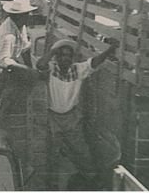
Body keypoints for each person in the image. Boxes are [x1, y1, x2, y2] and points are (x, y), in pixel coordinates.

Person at [37, 39, 117, 189]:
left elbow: (94, 62)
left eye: (68, 56)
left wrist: (109, 50)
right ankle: (51, 184)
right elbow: (40, 64)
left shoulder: (78, 70)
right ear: (56, 57)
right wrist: (54, 50)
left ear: (72, 58)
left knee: (81, 150)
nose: (65, 58)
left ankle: (91, 178)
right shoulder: (51, 69)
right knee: (51, 152)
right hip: (52, 116)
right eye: (61, 55)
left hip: (71, 117)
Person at [0, 0, 40, 124]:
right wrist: (27, 70)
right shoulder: (8, 35)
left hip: (3, 61)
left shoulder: (19, 26)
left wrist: (30, 69)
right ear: (18, 16)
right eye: (26, 15)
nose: (29, 17)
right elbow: (3, 61)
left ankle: (14, 108)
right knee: (0, 72)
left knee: (26, 75)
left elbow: (25, 48)